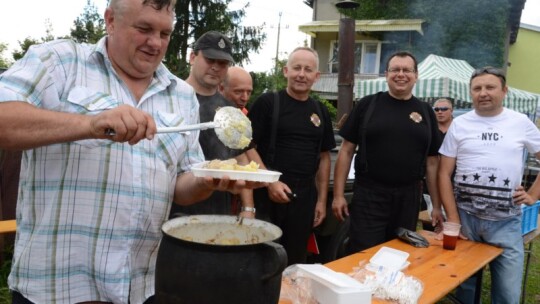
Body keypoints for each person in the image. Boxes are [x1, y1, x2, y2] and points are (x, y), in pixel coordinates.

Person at [0, 1, 261, 303]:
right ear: (110, 21)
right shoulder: (60, 61)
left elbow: (180, 186)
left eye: (164, 33)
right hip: (55, 289)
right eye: (144, 29)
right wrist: (91, 123)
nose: (155, 43)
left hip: (137, 288)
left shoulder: (181, 96)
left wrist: (207, 180)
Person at [438, 66, 540, 303]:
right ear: (470, 93)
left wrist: (534, 195)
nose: (483, 93)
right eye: (477, 88)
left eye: (490, 87)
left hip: (506, 221)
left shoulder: (520, 122)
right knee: (465, 289)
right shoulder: (460, 124)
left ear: (504, 91)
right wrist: (453, 218)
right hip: (466, 220)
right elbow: (444, 174)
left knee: (507, 294)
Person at [332, 51, 443, 254]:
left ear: (416, 76)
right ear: (386, 74)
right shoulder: (367, 105)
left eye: (407, 70)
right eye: (395, 69)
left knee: (398, 254)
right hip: (369, 195)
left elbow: (433, 162)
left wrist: (436, 206)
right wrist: (338, 195)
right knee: (364, 254)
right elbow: (346, 151)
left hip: (408, 197)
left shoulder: (426, 111)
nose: (401, 74)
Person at [246, 47, 336, 265]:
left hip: (304, 197)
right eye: (296, 68)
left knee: (295, 259)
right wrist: (271, 182)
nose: (301, 74)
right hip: (268, 195)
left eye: (308, 69)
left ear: (317, 76)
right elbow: (246, 145)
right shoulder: (268, 103)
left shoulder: (320, 111)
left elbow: (324, 158)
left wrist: (321, 201)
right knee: (261, 257)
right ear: (286, 71)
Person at [170, 31, 255, 219]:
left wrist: (248, 208)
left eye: (223, 63)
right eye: (210, 60)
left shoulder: (230, 110)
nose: (216, 67)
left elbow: (240, 160)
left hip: (218, 211)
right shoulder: (169, 99)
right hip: (172, 209)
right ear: (193, 57)